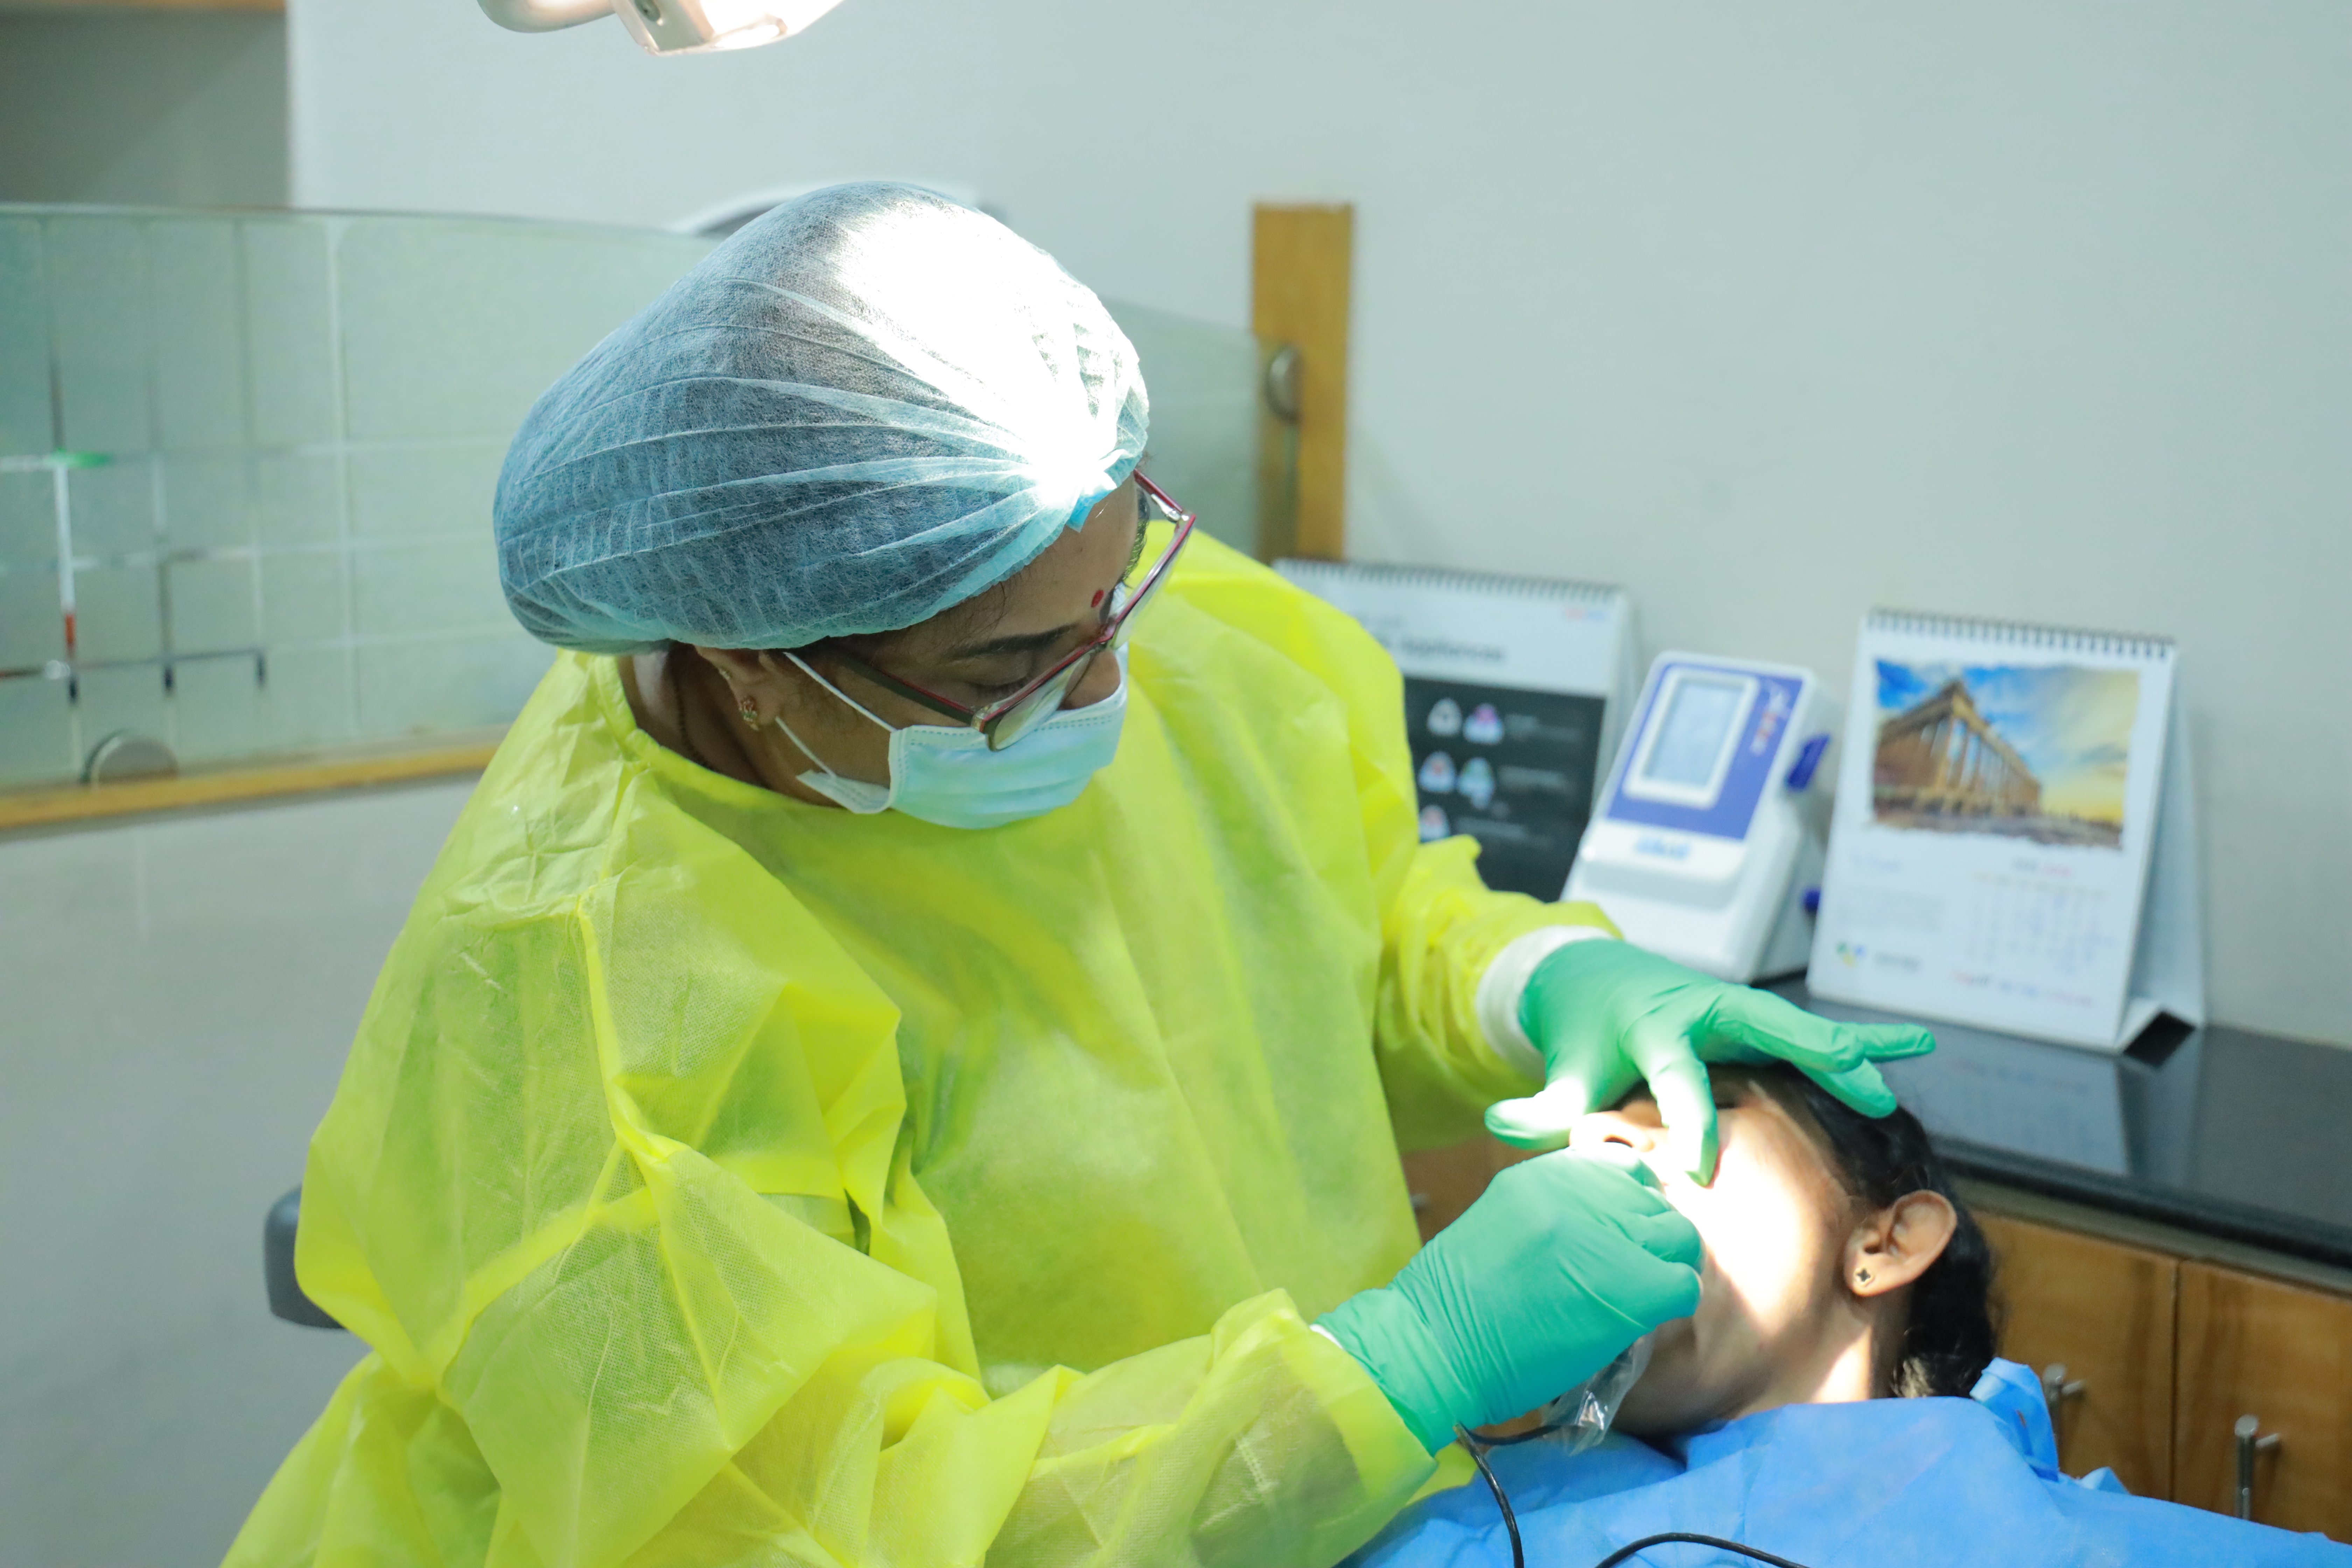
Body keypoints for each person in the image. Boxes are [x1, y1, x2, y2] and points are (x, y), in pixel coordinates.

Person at [225, 183, 1931, 1568]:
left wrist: (1529, 982)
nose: (1107, 686)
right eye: (1007, 675)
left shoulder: (1065, 578)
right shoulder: (590, 985)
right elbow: (841, 1531)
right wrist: (1399, 1367)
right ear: (755, 663)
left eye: (1119, 602)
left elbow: (1341, 902)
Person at [1345, 1069, 2352, 1567]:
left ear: (1884, 1243)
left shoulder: (2083, 1543)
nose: (1602, 1138)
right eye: (1606, 1123)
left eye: (1699, 1109)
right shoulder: (1466, 1526)